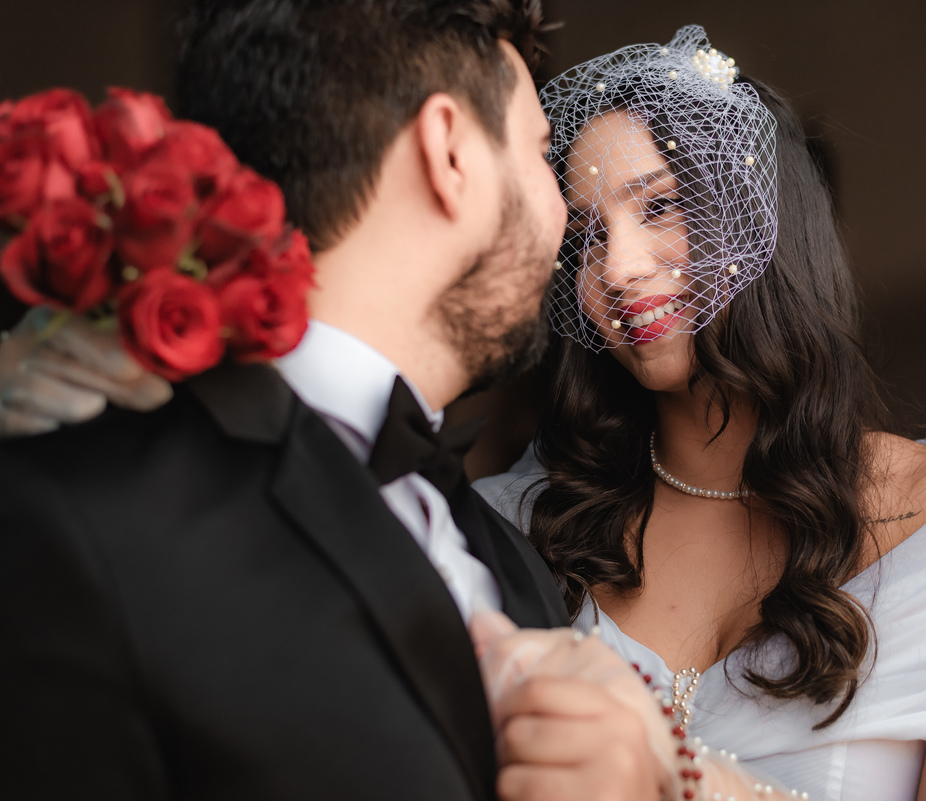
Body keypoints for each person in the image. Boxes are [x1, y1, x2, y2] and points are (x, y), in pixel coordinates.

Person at [0, 23, 926, 801]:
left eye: (661, 205)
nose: (614, 265)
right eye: (581, 230)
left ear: (773, 230)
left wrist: (678, 786)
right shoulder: (509, 526)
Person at [0, 2, 668, 799]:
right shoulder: (70, 522)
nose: (564, 226)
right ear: (449, 150)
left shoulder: (510, 554)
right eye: (539, 152)